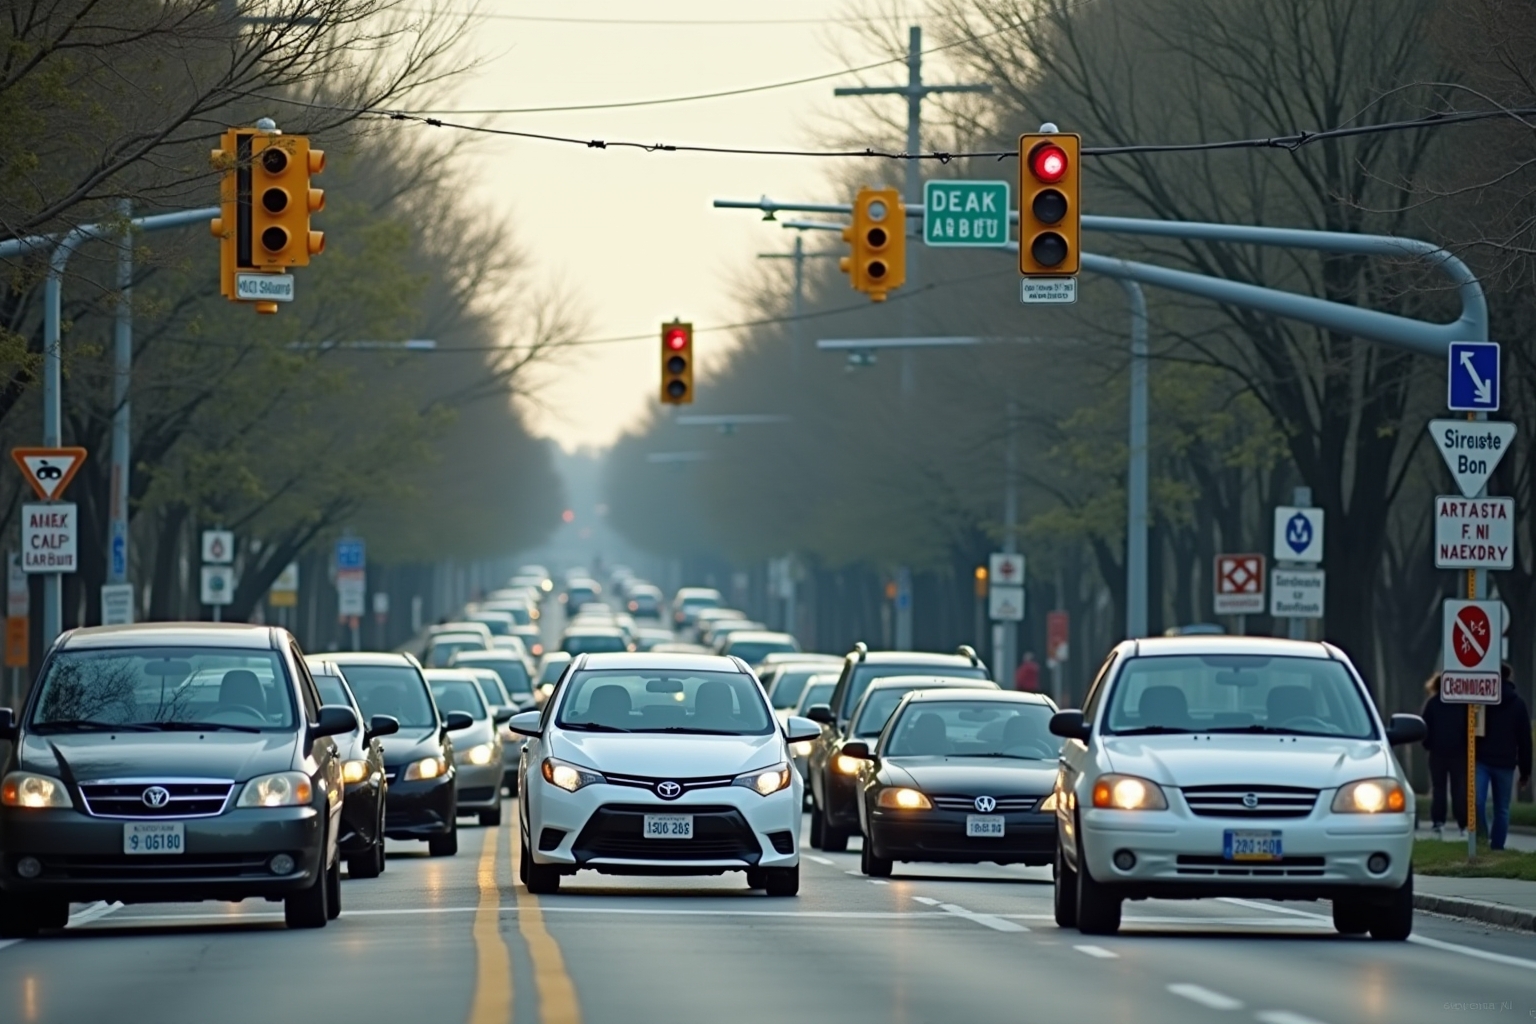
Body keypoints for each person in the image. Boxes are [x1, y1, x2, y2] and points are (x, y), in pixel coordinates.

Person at [1475, 662, 1533, 851]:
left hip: (1481, 760)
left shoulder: (1482, 701)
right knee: (1502, 808)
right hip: (1506, 763)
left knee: (1477, 802)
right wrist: (1525, 772)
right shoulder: (1518, 704)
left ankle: (1481, 840)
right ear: (1509, 679)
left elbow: (1472, 730)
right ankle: (1497, 847)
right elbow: (1525, 740)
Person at [1419, 671, 1467, 839]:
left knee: (1438, 788)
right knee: (1459, 789)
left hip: (1437, 753)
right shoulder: (1462, 704)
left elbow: (1424, 728)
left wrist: (1428, 745)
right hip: (1459, 754)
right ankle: (1463, 823)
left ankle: (1438, 822)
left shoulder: (1432, 704)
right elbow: (1469, 728)